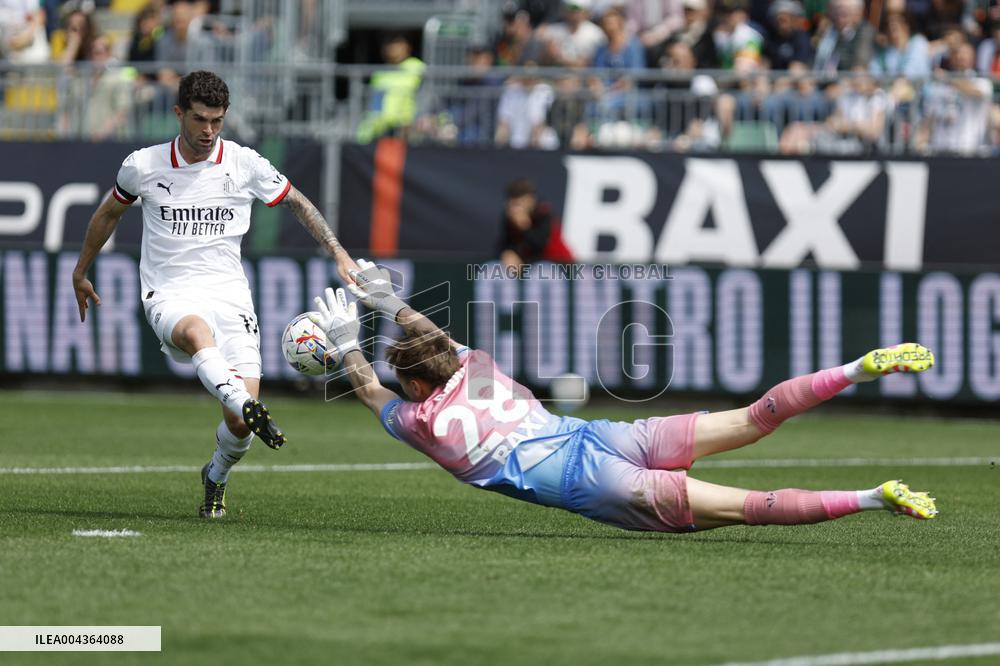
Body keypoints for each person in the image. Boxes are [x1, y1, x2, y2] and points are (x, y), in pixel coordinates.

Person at [309, 268, 939, 536]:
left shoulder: (422, 422)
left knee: (749, 506)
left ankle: (873, 497)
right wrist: (389, 302)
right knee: (752, 418)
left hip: (594, 484)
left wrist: (344, 346)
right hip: (604, 435)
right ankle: (856, 368)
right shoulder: (477, 369)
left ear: (418, 388)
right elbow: (435, 340)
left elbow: (369, 389)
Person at [72, 71, 358, 519]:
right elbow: (109, 213)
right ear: (179, 113)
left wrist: (338, 252)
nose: (208, 131)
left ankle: (216, 474)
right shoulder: (143, 165)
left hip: (230, 297)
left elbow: (298, 202)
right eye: (200, 119)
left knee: (239, 425)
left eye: (217, 121)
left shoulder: (245, 163)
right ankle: (245, 402)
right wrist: (80, 270)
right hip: (168, 291)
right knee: (195, 332)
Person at [498, 178, 574, 267]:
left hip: (560, 264)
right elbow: (505, 244)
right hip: (529, 266)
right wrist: (507, 253)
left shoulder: (543, 213)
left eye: (519, 203)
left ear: (531, 200)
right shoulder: (509, 217)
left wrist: (524, 226)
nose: (516, 208)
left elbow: (540, 245)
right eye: (513, 203)